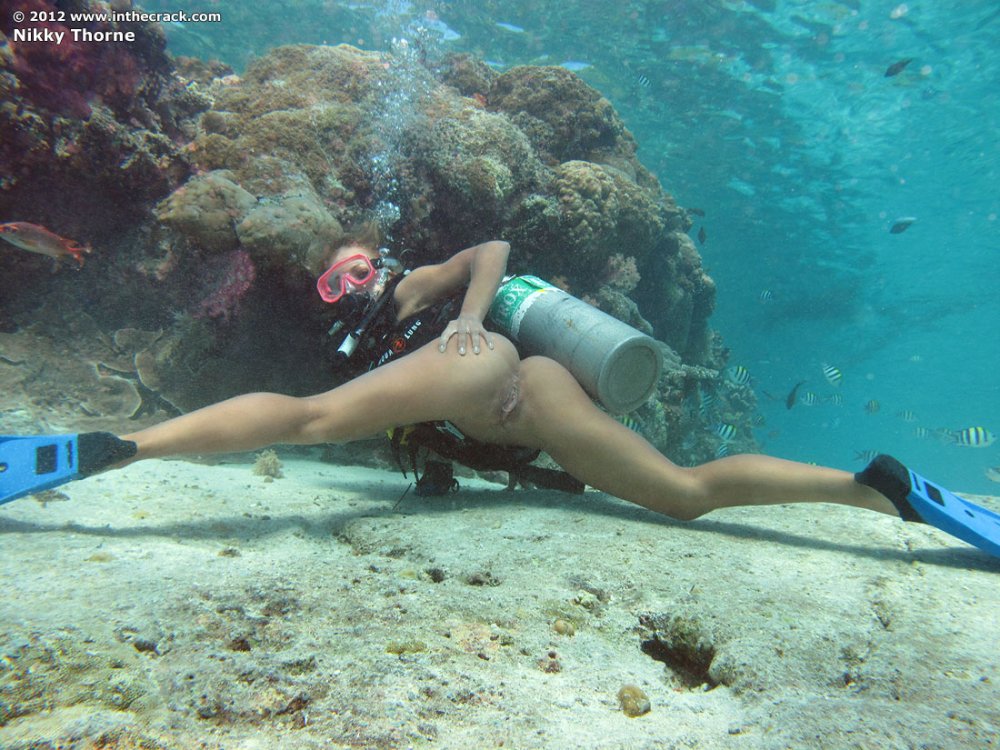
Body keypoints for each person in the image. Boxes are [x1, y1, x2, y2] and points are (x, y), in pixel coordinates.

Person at [1, 233, 998, 558]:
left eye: (356, 266)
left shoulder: (406, 286)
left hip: (484, 368)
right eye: (331, 282)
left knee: (305, 419)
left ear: (378, 254)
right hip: (530, 390)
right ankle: (874, 490)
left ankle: (114, 448)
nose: (350, 286)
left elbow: (493, 250)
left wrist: (469, 310)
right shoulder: (368, 327)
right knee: (682, 493)